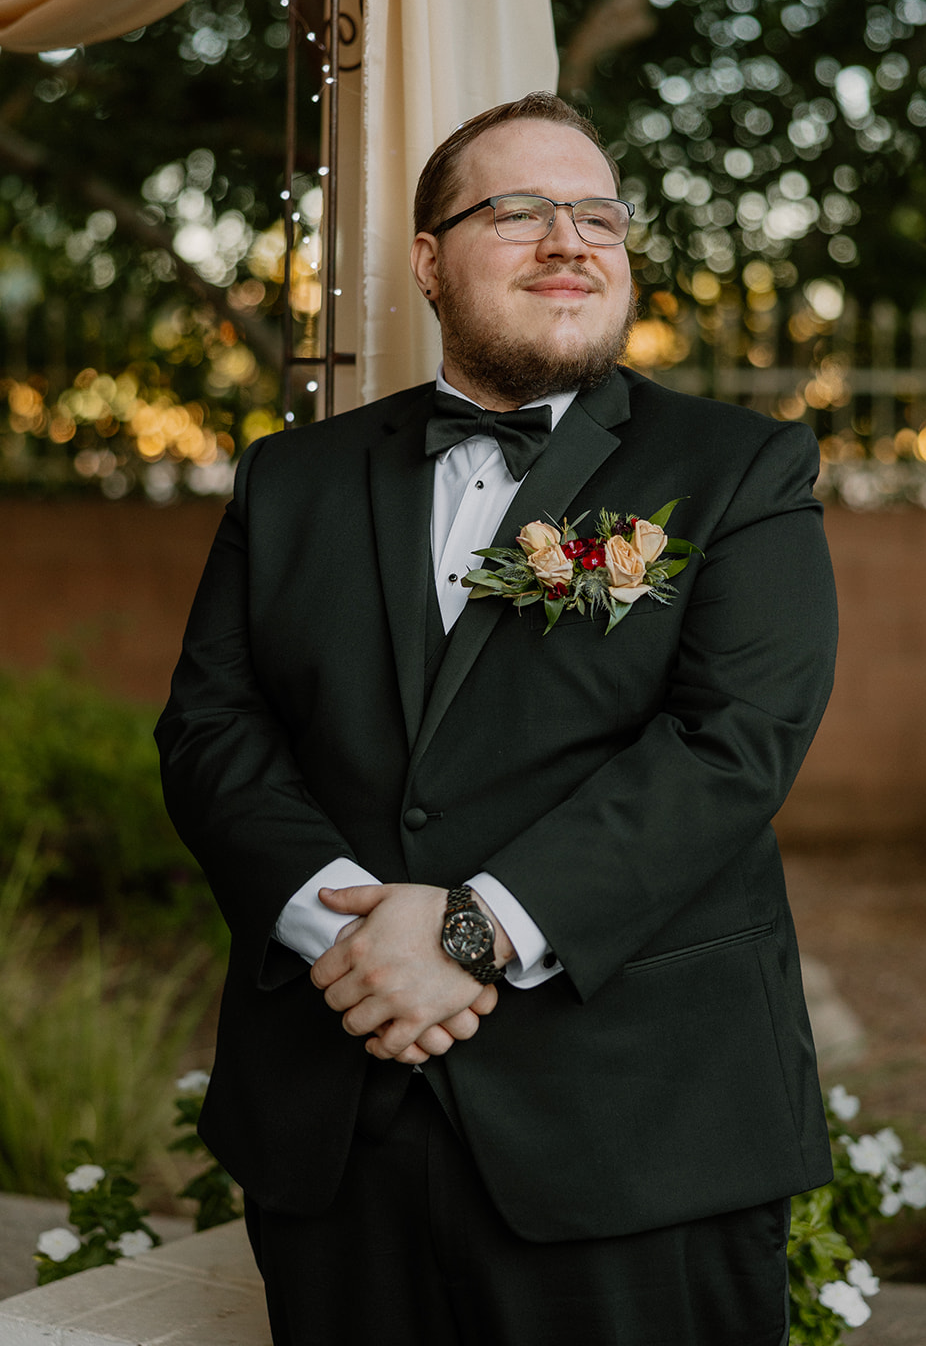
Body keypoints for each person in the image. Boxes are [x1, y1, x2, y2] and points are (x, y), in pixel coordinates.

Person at [156, 91, 838, 1346]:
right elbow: (213, 728)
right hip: (337, 1115)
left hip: (635, 1129)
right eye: (517, 210)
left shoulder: (739, 470)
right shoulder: (291, 477)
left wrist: (467, 931)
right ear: (428, 259)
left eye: (597, 216)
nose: (569, 240)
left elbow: (731, 743)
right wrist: (344, 934)